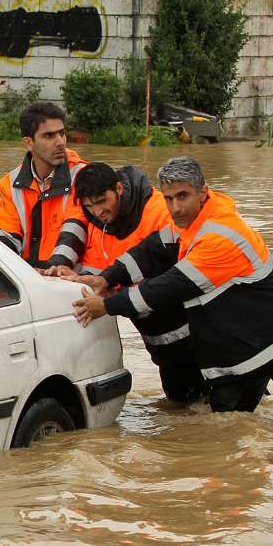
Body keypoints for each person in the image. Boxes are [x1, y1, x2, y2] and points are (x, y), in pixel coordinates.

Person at [71, 156, 273, 418]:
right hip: (245, 351)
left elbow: (169, 287)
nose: (175, 207)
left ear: (202, 192)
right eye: (168, 198)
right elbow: (152, 249)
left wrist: (107, 305)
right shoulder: (189, 222)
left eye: (182, 196)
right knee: (223, 431)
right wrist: (107, 277)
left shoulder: (218, 235)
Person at [49, 161, 204, 404]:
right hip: (158, 336)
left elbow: (171, 277)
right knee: (182, 406)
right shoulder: (97, 221)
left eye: (102, 202)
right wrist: (68, 272)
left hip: (194, 330)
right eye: (90, 206)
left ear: (119, 189)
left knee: (217, 401)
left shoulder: (160, 213)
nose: (98, 211)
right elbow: (103, 263)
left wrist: (110, 299)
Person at [0, 101, 88, 268]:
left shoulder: (83, 176)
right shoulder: (10, 183)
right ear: (28, 143)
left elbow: (75, 229)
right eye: (49, 136)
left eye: (62, 133)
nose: (60, 142)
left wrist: (53, 270)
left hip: (70, 279)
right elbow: (7, 236)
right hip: (28, 277)